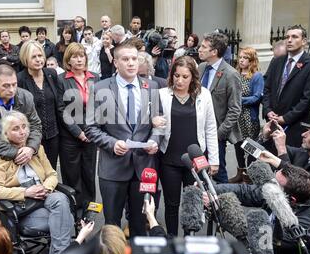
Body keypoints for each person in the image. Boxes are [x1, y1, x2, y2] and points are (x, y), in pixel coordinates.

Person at [85, 41, 161, 237]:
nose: (131, 63)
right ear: (116, 62)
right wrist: (112, 143)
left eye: (134, 59)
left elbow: (158, 124)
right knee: (112, 225)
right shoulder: (100, 88)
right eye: (125, 59)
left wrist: (155, 140)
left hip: (143, 167)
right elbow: (91, 128)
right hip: (113, 169)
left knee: (140, 222)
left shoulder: (151, 86)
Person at [0, 111, 74, 254]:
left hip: (44, 198)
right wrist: (25, 192)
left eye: (24, 127)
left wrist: (45, 188)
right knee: (65, 220)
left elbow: (52, 174)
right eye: (15, 129)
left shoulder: (36, 149)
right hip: (22, 208)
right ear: (6, 134)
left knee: (60, 199)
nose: (22, 132)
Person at [211, 161, 310, 254]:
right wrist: (212, 191)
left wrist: (226, 212)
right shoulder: (275, 190)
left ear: (291, 199)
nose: (268, 185)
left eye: (274, 185)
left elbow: (258, 240)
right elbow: (245, 191)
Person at [158, 56, 219, 236]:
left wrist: (214, 160)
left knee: (192, 203)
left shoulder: (204, 95)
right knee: (171, 204)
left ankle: (189, 239)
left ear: (193, 77)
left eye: (185, 77)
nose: (179, 81)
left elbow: (210, 128)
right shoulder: (162, 94)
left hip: (194, 160)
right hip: (169, 158)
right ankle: (172, 240)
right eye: (176, 76)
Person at [0, 64, 42, 216]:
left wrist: (31, 148)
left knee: (26, 196)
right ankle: (0, 236)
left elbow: (36, 125)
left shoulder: (25, 97)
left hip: (25, 154)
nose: (11, 90)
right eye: (6, 86)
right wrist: (16, 152)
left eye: (14, 84)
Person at [263, 25, 310, 148]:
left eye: (294, 37)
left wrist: (285, 118)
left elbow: (308, 99)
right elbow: (267, 89)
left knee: (288, 164)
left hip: (294, 128)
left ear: (304, 41)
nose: (289, 40)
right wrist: (268, 111)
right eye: (287, 37)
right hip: (272, 123)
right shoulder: (277, 61)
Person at [57, 43, 99, 211]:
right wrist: (78, 132)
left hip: (92, 134)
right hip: (70, 137)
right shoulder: (62, 80)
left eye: (82, 55)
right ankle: (75, 209)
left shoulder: (95, 77)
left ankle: (91, 208)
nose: (79, 59)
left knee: (89, 173)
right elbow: (61, 109)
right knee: (72, 175)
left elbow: (100, 106)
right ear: (68, 60)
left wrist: (92, 131)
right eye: (75, 56)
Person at [198, 32, 242, 183]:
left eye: (204, 47)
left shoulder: (231, 74)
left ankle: (224, 203)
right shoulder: (201, 68)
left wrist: (219, 134)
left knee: (218, 171)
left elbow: (235, 109)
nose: (200, 49)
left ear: (214, 52)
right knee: (199, 171)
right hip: (197, 130)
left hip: (216, 134)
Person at [17, 40, 62, 170]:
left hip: (53, 136)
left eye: (40, 55)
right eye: (34, 57)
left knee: (51, 172)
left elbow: (58, 104)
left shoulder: (51, 74)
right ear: (25, 58)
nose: (38, 60)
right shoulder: (20, 79)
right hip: (31, 139)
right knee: (35, 175)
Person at [261, 119, 310, 183]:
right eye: (307, 131)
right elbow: (273, 151)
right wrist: (267, 137)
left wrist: (282, 149)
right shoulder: (303, 153)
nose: (303, 135)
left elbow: (297, 186)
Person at [230, 47, 264, 183]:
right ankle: (240, 173)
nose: (241, 60)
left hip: (249, 117)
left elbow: (256, 97)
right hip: (236, 117)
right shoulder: (236, 73)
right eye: (240, 57)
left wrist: (238, 100)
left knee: (250, 147)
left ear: (252, 61)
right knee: (237, 145)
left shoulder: (256, 76)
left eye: (245, 58)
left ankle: (250, 175)